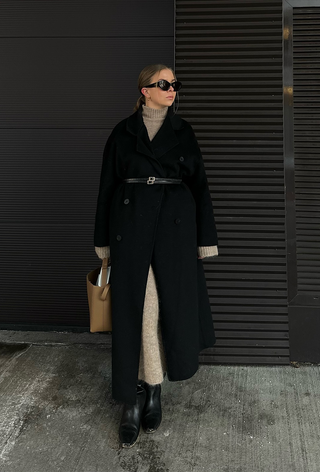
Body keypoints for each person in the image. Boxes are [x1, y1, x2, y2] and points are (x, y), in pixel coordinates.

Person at [94, 64, 218, 448]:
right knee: (140, 310)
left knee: (167, 309)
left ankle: (150, 391)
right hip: (130, 228)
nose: (172, 89)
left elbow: (199, 185)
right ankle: (138, 397)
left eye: (175, 84)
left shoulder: (183, 132)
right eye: (163, 84)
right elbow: (106, 187)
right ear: (144, 90)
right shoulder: (122, 132)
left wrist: (206, 238)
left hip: (175, 230)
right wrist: (102, 241)